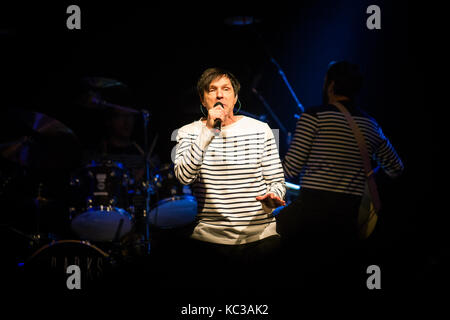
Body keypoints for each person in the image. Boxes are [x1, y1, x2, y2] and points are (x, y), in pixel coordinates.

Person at [277, 61, 404, 289]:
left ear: (330, 85)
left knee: (258, 236)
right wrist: (362, 174)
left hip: (310, 213)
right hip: (348, 220)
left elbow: (291, 169)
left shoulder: (314, 116)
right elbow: (396, 169)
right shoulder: (371, 124)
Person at [173, 67, 286, 288]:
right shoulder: (188, 132)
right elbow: (184, 177)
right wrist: (207, 131)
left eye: (226, 89)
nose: (219, 95)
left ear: (235, 97)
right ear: (202, 99)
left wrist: (273, 196)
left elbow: (277, 181)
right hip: (210, 242)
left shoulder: (260, 129)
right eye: (212, 89)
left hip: (260, 238)